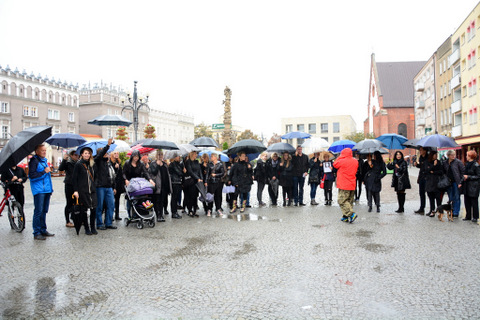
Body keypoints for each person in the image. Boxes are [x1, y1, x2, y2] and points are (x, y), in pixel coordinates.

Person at [28, 144, 54, 240]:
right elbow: (32, 176)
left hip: (46, 190)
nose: (44, 152)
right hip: (39, 190)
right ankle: (36, 232)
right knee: (38, 211)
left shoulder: (44, 161)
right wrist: (44, 172)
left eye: (45, 150)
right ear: (37, 151)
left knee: (44, 211)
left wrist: (50, 189)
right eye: (42, 150)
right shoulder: (34, 161)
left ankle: (43, 229)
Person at [72, 147, 97, 235]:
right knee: (84, 210)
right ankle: (86, 228)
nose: (87, 155)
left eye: (88, 153)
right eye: (85, 153)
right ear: (82, 154)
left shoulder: (91, 164)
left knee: (94, 209)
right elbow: (74, 179)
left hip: (92, 190)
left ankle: (93, 227)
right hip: (83, 190)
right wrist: (75, 190)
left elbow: (95, 177)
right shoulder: (79, 164)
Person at [123, 149, 155, 217]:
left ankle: (139, 212)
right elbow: (123, 173)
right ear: (132, 156)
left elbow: (145, 173)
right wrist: (125, 180)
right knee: (130, 198)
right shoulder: (127, 163)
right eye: (135, 156)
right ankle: (130, 214)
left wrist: (150, 180)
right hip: (130, 183)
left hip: (138, 183)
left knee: (139, 198)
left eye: (137, 157)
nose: (136, 158)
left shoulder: (141, 164)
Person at [94, 138, 116, 230]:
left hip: (108, 186)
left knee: (111, 205)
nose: (107, 154)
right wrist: (107, 145)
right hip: (100, 186)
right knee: (99, 206)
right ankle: (99, 224)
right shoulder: (97, 161)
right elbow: (100, 155)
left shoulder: (107, 163)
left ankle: (108, 222)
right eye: (105, 153)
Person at [333, 148, 358, 223]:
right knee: (349, 201)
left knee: (342, 200)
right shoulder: (355, 161)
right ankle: (345, 216)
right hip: (352, 184)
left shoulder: (341, 161)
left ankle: (351, 214)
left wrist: (340, 157)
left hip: (344, 184)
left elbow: (335, 164)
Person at [149, 150, 172, 222]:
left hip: (164, 185)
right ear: (156, 156)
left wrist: (169, 187)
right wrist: (158, 165)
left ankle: (161, 214)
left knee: (162, 201)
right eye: (159, 154)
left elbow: (167, 175)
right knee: (157, 201)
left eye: (161, 154)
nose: (160, 156)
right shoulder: (153, 163)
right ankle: (158, 215)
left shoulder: (164, 164)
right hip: (157, 186)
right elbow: (153, 172)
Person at [443, 150, 465, 218]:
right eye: (452, 155)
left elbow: (463, 172)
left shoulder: (458, 162)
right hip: (448, 182)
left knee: (456, 197)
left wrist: (461, 181)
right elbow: (444, 172)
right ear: (448, 156)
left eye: (454, 155)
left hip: (456, 182)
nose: (453, 156)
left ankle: (456, 212)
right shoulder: (445, 163)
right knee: (451, 197)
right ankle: (451, 210)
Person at [58, 150, 78, 227]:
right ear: (71, 155)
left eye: (77, 155)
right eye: (75, 155)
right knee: (69, 203)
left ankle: (74, 217)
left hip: (76, 185)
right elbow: (60, 169)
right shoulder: (68, 162)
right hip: (69, 184)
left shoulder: (78, 163)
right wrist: (64, 160)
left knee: (76, 202)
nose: (77, 156)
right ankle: (67, 221)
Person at [462, 150, 480, 223]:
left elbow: (478, 176)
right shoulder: (467, 164)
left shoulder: (476, 165)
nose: (466, 156)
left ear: (470, 156)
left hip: (474, 186)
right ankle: (468, 215)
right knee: (467, 201)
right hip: (467, 185)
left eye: (467, 155)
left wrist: (469, 177)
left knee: (474, 202)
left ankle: (475, 217)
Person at [425, 151, 444, 217]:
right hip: (429, 182)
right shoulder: (427, 162)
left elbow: (441, 172)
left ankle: (439, 210)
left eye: (436, 154)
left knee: (438, 198)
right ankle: (432, 210)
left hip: (437, 182)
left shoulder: (439, 162)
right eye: (435, 154)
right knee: (431, 197)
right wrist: (434, 166)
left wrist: (433, 172)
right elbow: (427, 171)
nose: (436, 156)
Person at [184, 151, 202, 217]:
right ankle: (190, 210)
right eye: (195, 154)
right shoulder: (188, 162)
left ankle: (195, 210)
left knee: (195, 197)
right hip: (190, 181)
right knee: (190, 196)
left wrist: (201, 178)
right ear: (192, 154)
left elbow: (199, 170)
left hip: (197, 181)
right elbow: (190, 171)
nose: (196, 155)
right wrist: (197, 178)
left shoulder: (196, 161)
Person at [109, 151, 124, 221]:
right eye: (115, 153)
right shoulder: (109, 163)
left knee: (117, 200)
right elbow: (112, 174)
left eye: (117, 153)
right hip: (112, 184)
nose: (116, 154)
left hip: (119, 184)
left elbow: (121, 174)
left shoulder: (119, 163)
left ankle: (117, 215)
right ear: (112, 155)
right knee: (111, 201)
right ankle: (110, 215)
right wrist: (115, 168)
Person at [168, 154, 184, 219]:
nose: (179, 157)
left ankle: (175, 212)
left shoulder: (178, 164)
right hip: (174, 182)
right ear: (174, 157)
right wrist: (183, 171)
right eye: (178, 156)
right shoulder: (173, 164)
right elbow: (179, 172)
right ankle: (174, 212)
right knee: (174, 198)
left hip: (178, 182)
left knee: (176, 197)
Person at [414, 147, 428, 214]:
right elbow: (421, 167)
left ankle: (432, 209)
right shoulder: (421, 158)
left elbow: (427, 167)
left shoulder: (428, 158)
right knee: (421, 193)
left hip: (427, 177)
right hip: (421, 177)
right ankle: (422, 208)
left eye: (421, 150)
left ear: (425, 151)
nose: (420, 151)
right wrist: (417, 165)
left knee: (429, 193)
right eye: (420, 150)